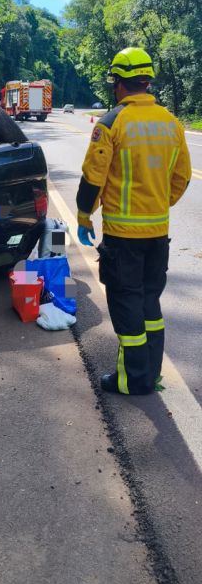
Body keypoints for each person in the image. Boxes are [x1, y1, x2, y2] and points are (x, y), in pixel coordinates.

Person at [76, 47, 191, 395]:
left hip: (123, 237)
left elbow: (93, 177)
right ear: (147, 81)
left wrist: (84, 215)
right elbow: (182, 177)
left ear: (119, 83)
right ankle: (150, 372)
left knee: (126, 306)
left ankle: (133, 380)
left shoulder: (112, 123)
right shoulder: (172, 123)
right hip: (158, 234)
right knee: (149, 304)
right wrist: (158, 204)